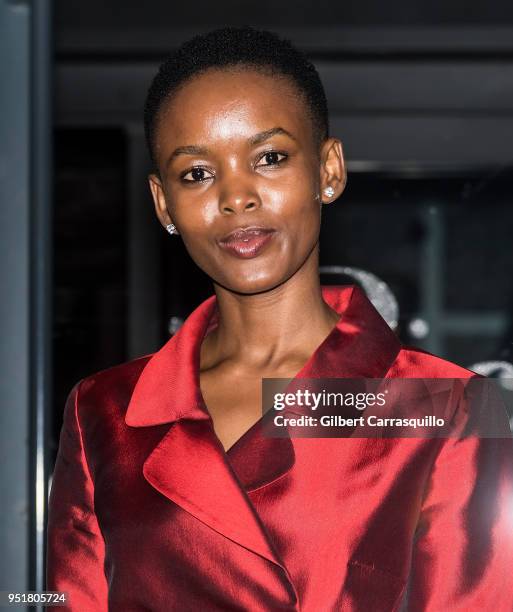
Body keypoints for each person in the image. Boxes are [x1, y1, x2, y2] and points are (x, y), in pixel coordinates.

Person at [46, 27, 513, 611]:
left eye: (269, 158)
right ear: (164, 203)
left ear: (328, 170)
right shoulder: (104, 411)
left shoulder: (449, 407)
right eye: (196, 173)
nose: (236, 196)